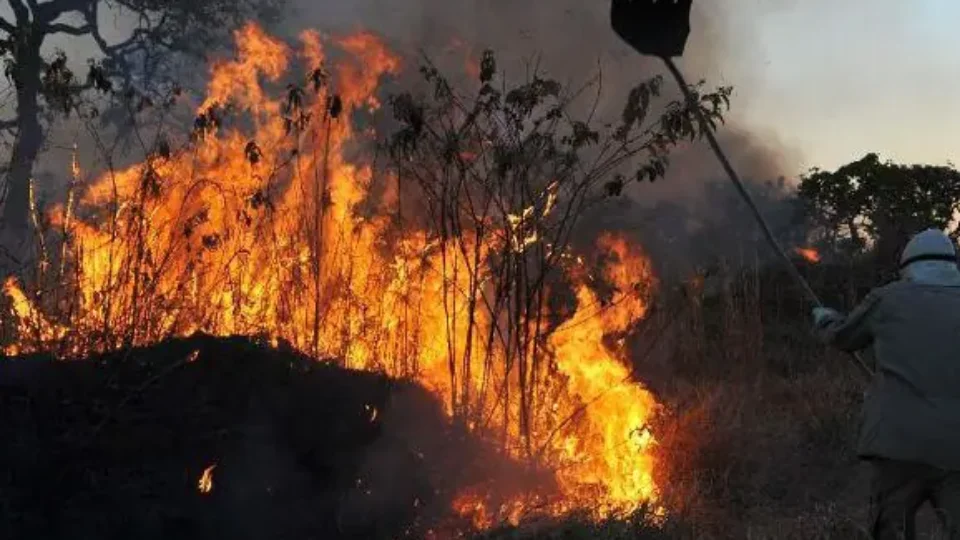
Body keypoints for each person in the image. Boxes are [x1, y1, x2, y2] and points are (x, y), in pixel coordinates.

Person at [813, 228, 960, 539]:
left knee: (891, 528)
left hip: (897, 443)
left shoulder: (887, 299)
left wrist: (825, 319)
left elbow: (843, 337)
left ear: (908, 266)